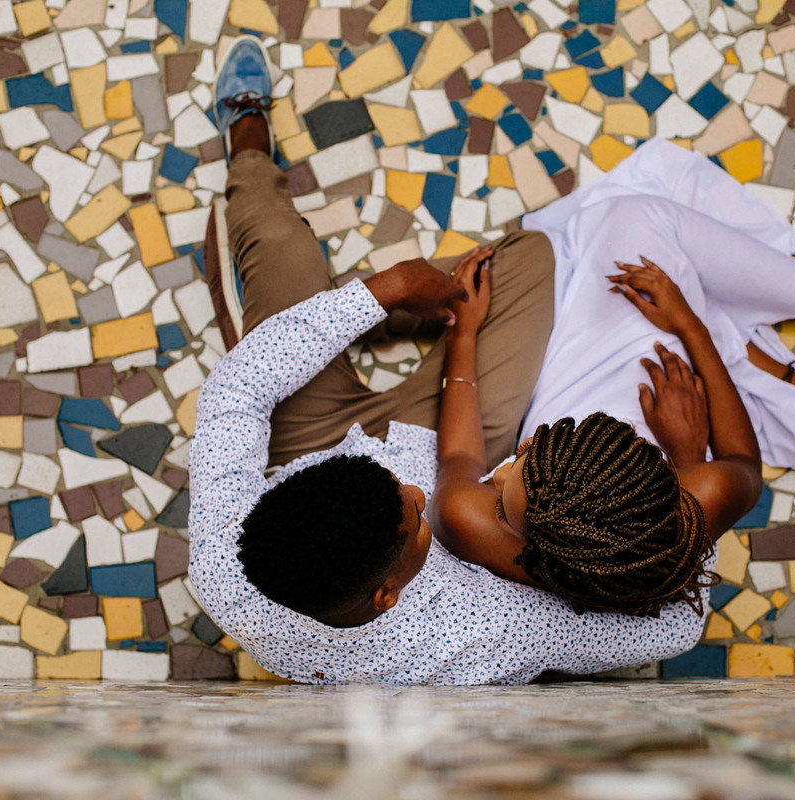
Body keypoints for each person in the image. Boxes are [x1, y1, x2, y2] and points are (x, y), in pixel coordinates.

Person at [190, 37, 721, 685]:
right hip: (445, 437)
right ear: (387, 595)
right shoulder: (488, 631)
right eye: (414, 518)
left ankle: (270, 176)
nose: (415, 491)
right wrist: (684, 477)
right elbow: (675, 626)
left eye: (396, 488)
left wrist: (382, 291)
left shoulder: (223, 564)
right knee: (529, 259)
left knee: (278, 258)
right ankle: (282, 196)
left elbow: (234, 391)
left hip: (306, 437)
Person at [428, 138, 795, 617]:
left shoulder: (467, 518)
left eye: (525, 455)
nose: (498, 473)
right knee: (636, 222)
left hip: (593, 420)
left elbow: (459, 457)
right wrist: (688, 403)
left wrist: (465, 335)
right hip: (655, 425)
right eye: (506, 500)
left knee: (625, 255)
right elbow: (743, 464)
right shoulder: (680, 516)